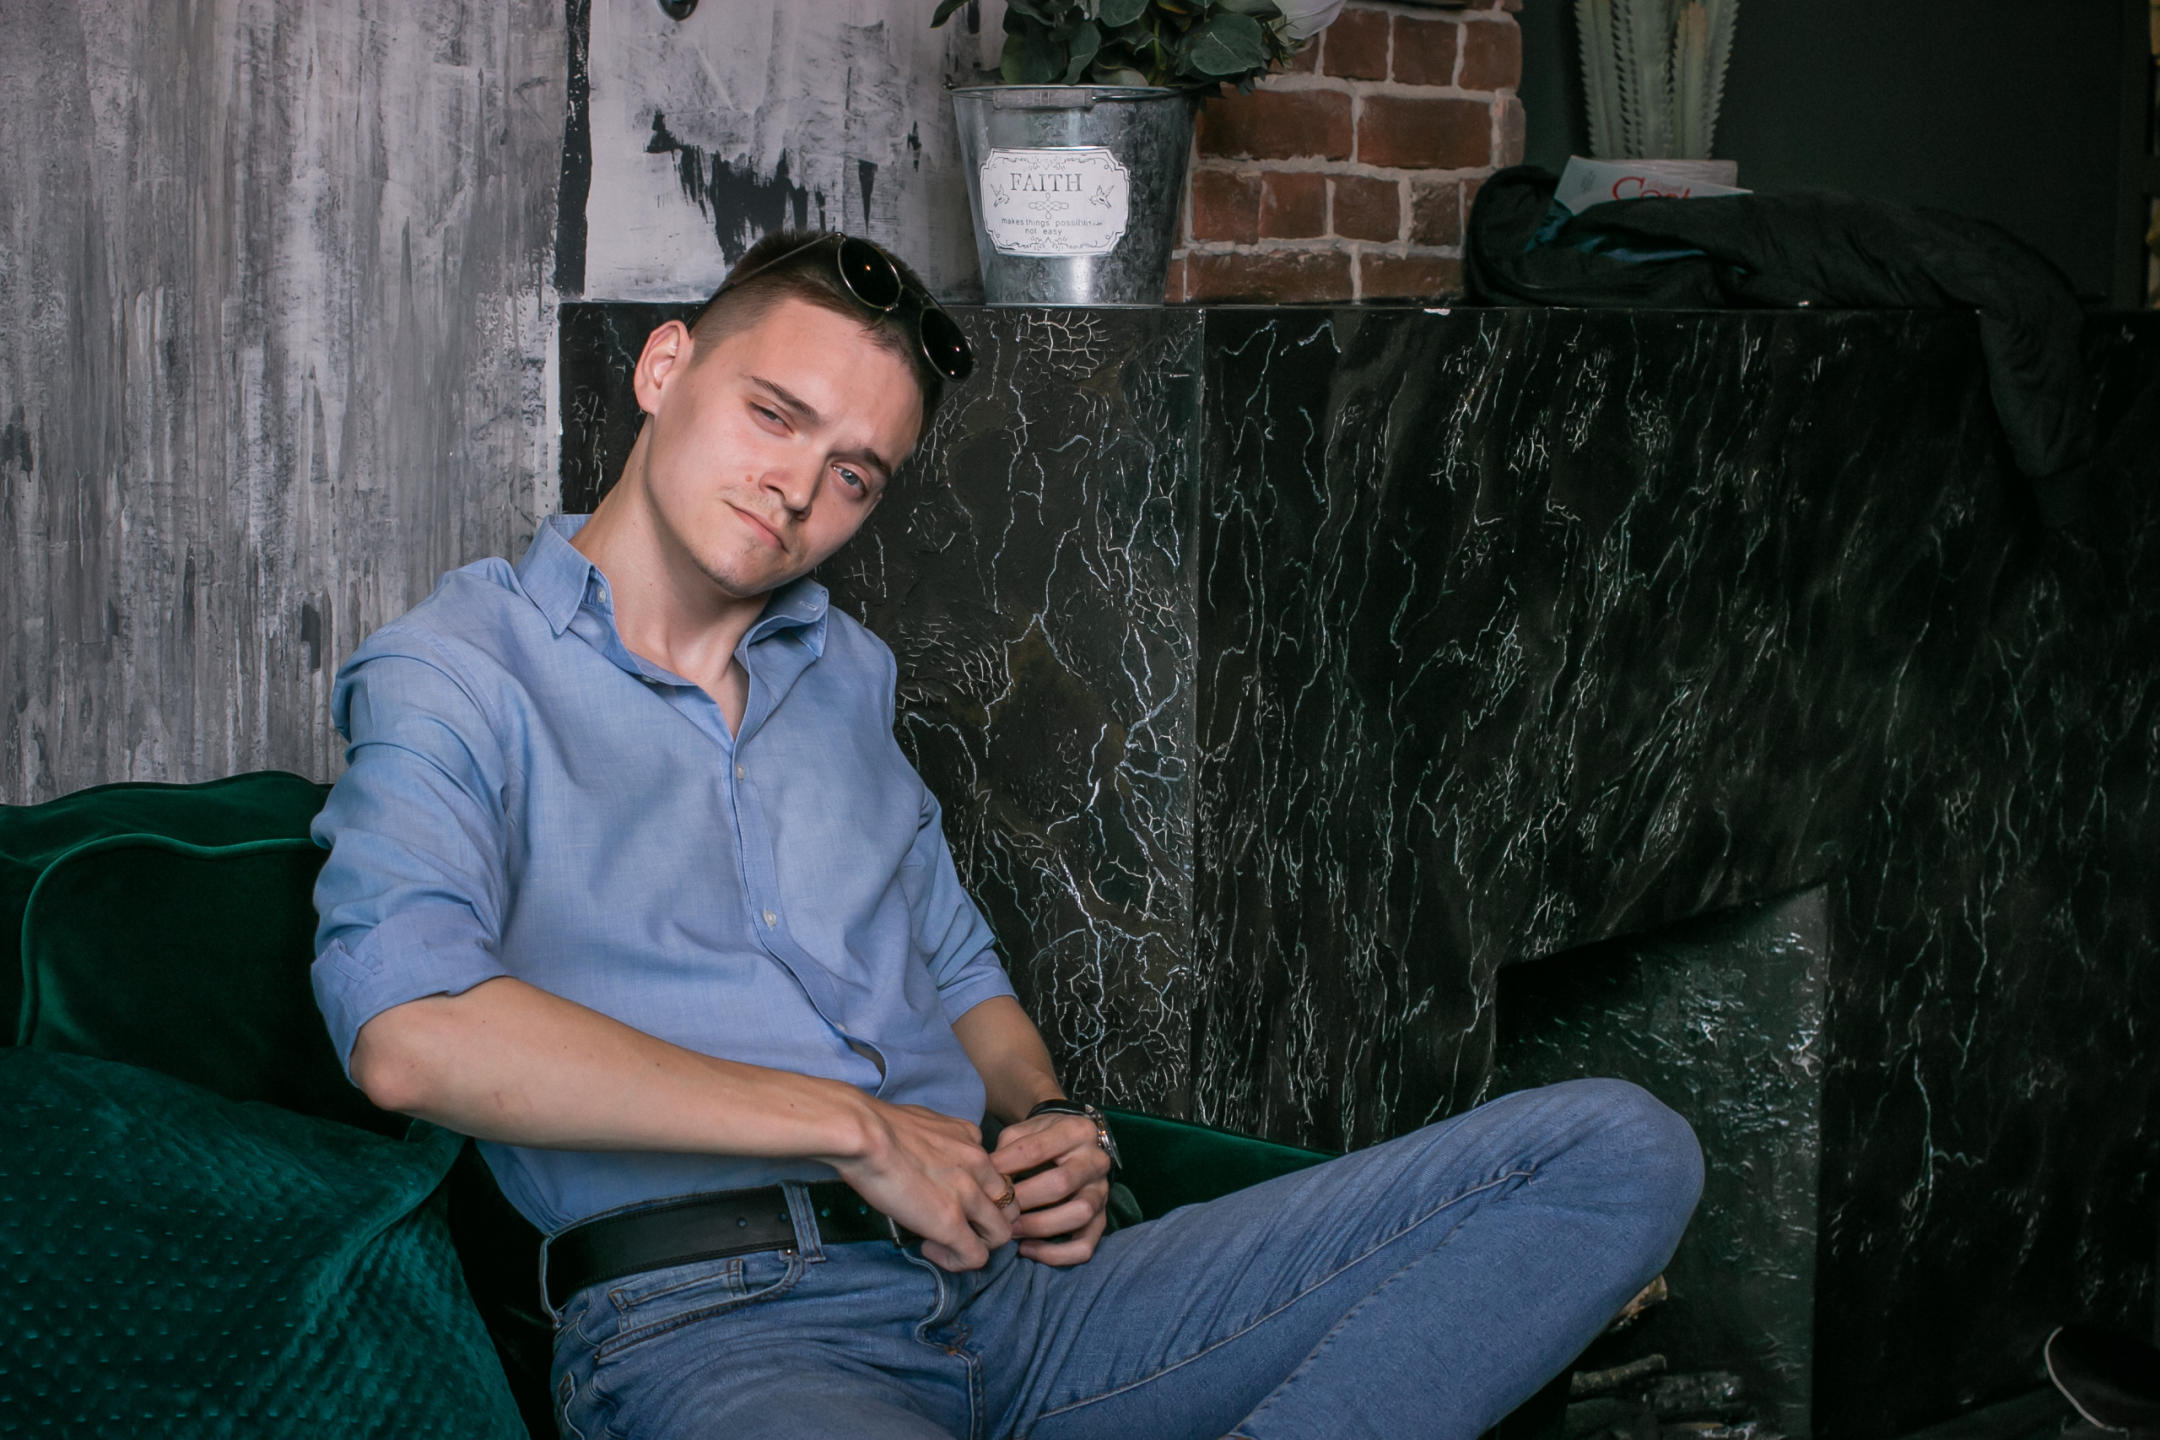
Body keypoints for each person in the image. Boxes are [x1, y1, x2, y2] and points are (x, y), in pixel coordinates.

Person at [309, 228, 1704, 1440]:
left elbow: (961, 969)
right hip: (718, 1331)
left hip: (1020, 1299)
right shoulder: (459, 671)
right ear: (666, 369)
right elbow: (409, 1033)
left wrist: (1041, 1118)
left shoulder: (842, 675)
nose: (796, 489)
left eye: (855, 474)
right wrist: (853, 1131)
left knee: (1617, 1151)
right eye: (773, 415)